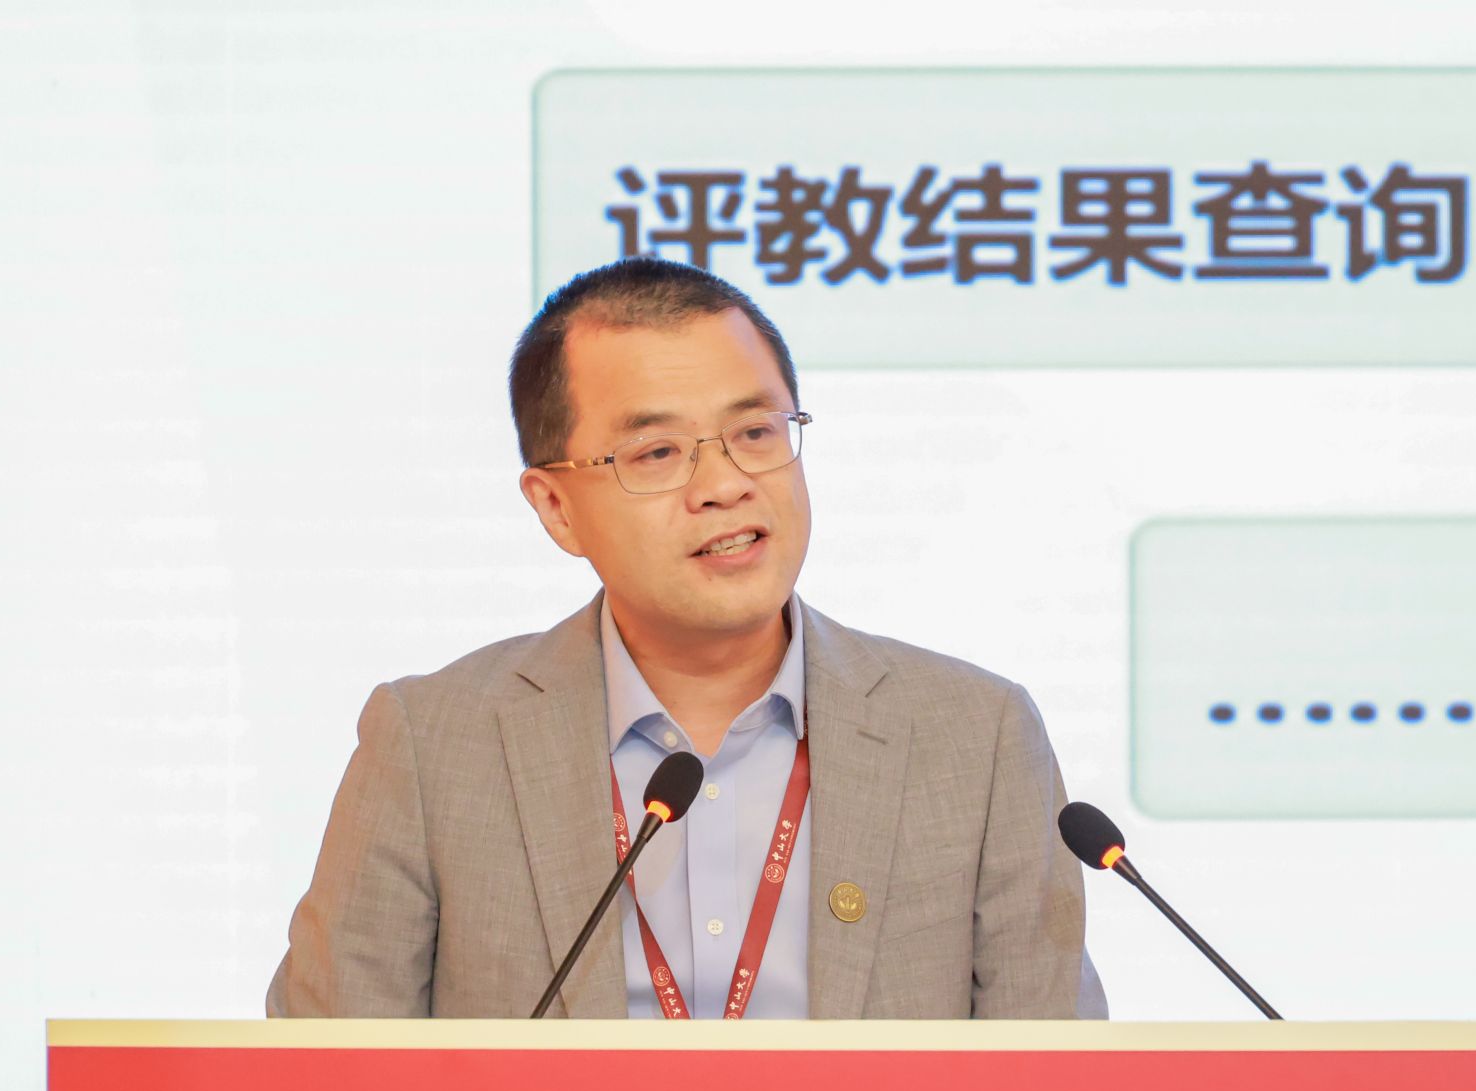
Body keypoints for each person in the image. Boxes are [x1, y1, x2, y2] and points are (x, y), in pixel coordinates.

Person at [267, 257, 1101, 1019]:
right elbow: (321, 1081)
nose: (724, 485)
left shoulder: (976, 737)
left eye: (756, 432)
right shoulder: (434, 744)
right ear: (556, 508)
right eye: (658, 452)